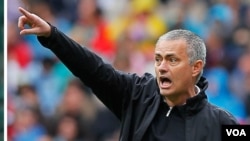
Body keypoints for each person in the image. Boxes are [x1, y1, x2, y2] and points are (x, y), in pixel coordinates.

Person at [17, 7, 239, 141]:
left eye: (172, 60)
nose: (162, 67)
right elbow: (94, 70)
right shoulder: (137, 95)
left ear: (196, 67)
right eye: (158, 59)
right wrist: (52, 35)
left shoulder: (223, 124)